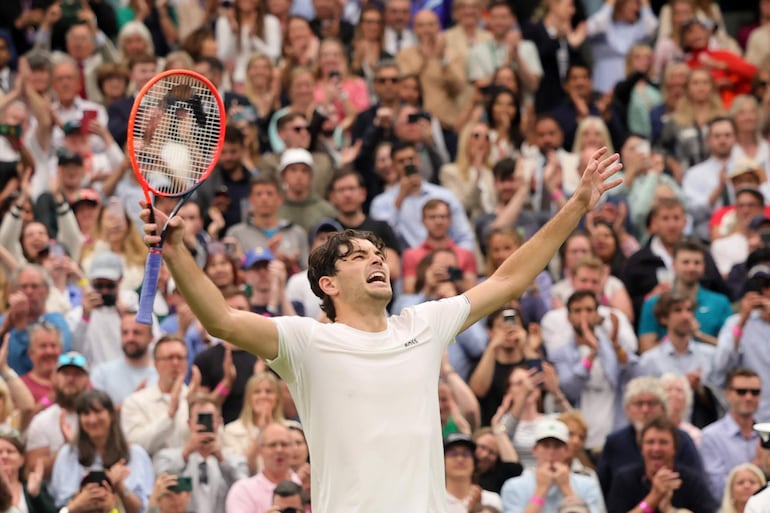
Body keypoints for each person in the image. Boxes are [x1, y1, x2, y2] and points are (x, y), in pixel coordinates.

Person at [140, 147, 622, 512]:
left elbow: (510, 278)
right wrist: (178, 253)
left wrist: (577, 205)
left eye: (378, 255)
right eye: (357, 257)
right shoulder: (306, 343)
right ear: (327, 284)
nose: (376, 261)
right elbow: (220, 319)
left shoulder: (425, 323)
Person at [596, 376, 703, 496]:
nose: (645, 410)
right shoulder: (615, 442)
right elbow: (602, 488)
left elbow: (697, 485)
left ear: (663, 408)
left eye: (651, 403)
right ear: (627, 410)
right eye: (639, 403)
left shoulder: (682, 440)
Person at [50, 390, 154, 513]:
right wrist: (83, 498)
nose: (92, 419)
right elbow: (60, 505)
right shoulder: (68, 454)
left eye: (98, 412)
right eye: (86, 413)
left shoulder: (136, 455)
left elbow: (142, 509)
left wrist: (119, 487)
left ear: (111, 414)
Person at [154, 396, 248, 513]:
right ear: (189, 423)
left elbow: (246, 492)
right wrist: (186, 453)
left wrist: (222, 460)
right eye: (200, 419)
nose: (204, 424)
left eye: (209, 419)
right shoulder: (167, 457)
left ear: (219, 422)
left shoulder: (235, 461)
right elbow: (162, 487)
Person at [606, 417, 718, 513]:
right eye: (650, 442)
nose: (656, 448)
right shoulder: (624, 479)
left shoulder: (691, 481)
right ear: (641, 448)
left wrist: (670, 510)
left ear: (675, 448)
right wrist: (653, 498)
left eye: (663, 442)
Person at [500, 419, 605, 513]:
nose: (551, 452)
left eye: (557, 446)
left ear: (566, 450)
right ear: (535, 450)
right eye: (545, 446)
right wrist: (541, 490)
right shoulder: (513, 486)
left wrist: (566, 488)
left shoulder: (587, 484)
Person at [121, 335, 193, 457]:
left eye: (180, 358)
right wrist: (169, 414)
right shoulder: (135, 402)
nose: (175, 363)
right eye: (169, 358)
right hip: (152, 473)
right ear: (156, 363)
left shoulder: (196, 400)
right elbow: (135, 448)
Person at [25, 351, 90, 478]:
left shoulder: (98, 418)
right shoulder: (41, 421)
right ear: (55, 378)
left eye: (77, 374)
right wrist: (67, 448)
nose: (71, 379)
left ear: (87, 380)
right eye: (65, 374)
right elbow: (34, 470)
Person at [700, 368, 762, 500]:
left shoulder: (766, 433)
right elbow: (717, 490)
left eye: (755, 392)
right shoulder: (711, 436)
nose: (749, 397)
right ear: (728, 394)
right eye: (741, 392)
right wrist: (757, 465)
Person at [225, 423, 301, 513]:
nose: (279, 450)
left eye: (284, 444)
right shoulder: (243, 491)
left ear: (292, 448)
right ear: (260, 450)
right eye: (272, 445)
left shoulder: (304, 485)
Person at [90, 312, 158, 406]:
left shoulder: (161, 375)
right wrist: (131, 403)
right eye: (125, 333)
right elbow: (95, 415)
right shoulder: (102, 373)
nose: (130, 338)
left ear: (151, 337)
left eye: (136, 332)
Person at [443, 433, 502, 513]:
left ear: (474, 462)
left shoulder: (492, 500)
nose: (460, 459)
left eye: (466, 454)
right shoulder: (432, 500)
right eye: (453, 454)